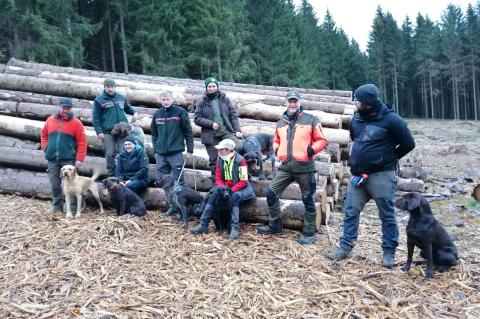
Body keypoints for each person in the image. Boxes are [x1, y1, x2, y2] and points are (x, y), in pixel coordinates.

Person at [327, 83, 415, 268]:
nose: (355, 104)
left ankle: (389, 252)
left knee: (386, 214)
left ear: (368, 103)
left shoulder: (392, 120)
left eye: (358, 101)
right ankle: (345, 246)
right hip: (358, 176)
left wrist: (389, 158)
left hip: (382, 175)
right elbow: (355, 138)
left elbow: (408, 143)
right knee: (350, 211)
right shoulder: (357, 118)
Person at [257, 91, 328, 245]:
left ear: (299, 102)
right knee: (271, 193)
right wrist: (276, 149)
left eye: (295, 101)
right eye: (290, 101)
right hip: (286, 167)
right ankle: (275, 225)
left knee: (307, 198)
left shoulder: (311, 119)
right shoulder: (281, 122)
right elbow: (276, 139)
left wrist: (312, 150)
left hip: (304, 167)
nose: (292, 104)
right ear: (286, 102)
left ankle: (309, 232)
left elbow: (322, 140)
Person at [189, 139, 255, 240]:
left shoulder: (240, 160)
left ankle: (234, 227)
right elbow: (218, 178)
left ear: (228, 150)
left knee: (235, 197)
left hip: (242, 188)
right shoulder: (220, 159)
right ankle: (203, 224)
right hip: (226, 187)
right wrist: (222, 188)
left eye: (221, 149)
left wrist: (230, 190)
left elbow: (243, 181)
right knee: (214, 193)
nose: (219, 151)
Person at [151, 90, 194, 216]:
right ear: (160, 100)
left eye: (167, 99)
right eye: (163, 99)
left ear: (172, 99)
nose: (165, 101)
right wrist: (155, 150)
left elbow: (188, 132)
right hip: (161, 154)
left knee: (179, 182)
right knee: (164, 184)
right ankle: (172, 206)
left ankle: (183, 208)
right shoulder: (157, 114)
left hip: (176, 153)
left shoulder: (180, 112)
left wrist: (190, 150)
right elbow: (154, 134)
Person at [41, 98, 87, 213]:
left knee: (72, 185)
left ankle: (73, 209)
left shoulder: (76, 123)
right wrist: (45, 148)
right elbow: (44, 135)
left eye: (68, 108)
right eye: (64, 108)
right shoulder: (50, 120)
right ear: (59, 107)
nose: (65, 110)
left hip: (68, 160)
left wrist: (80, 159)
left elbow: (82, 142)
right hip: (52, 159)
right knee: (55, 185)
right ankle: (57, 207)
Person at [194, 76, 243, 179]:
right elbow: (197, 118)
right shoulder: (202, 101)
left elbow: (233, 115)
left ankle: (236, 176)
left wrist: (237, 130)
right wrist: (211, 124)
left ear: (217, 87)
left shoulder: (224, 99)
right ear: (206, 88)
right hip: (211, 136)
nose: (212, 88)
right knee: (214, 159)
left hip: (226, 132)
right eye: (209, 86)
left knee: (239, 147)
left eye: (214, 86)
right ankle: (217, 183)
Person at [92, 78, 138, 176]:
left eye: (112, 87)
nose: (110, 89)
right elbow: (96, 118)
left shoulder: (121, 97)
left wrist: (135, 113)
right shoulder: (99, 100)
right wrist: (99, 132)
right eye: (108, 87)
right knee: (110, 153)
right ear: (104, 87)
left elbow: (128, 109)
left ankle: (125, 172)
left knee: (124, 151)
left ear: (115, 87)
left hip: (123, 131)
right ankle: (111, 174)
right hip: (107, 131)